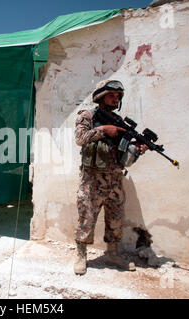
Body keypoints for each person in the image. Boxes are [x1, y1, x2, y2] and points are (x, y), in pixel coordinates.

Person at [73, 80, 148, 275]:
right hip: (92, 180)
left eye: (118, 96)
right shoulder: (87, 115)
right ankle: (81, 255)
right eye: (111, 95)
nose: (115, 99)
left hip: (115, 180)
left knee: (116, 220)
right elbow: (80, 139)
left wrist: (138, 150)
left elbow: (126, 160)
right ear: (100, 96)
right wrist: (103, 130)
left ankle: (112, 254)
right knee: (86, 218)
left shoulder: (119, 122)